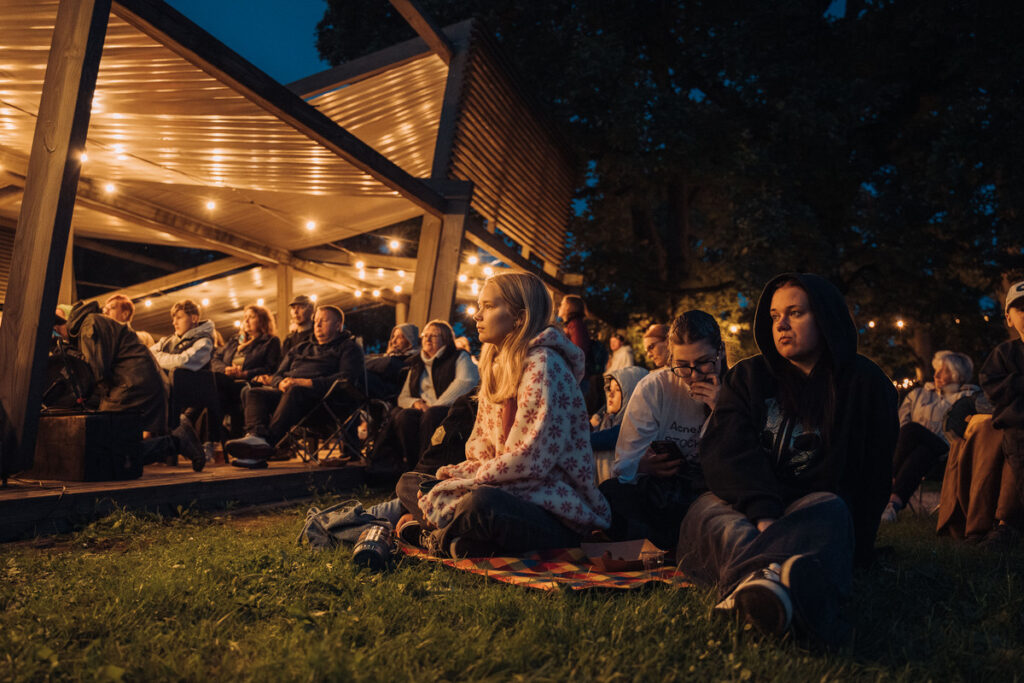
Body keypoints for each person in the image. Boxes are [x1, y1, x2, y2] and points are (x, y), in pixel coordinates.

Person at [676, 273, 898, 647]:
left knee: (831, 510)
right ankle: (782, 586)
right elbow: (726, 453)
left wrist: (856, 547)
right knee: (715, 518)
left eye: (795, 313)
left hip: (811, 510)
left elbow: (872, 476)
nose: (780, 325)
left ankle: (753, 592)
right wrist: (764, 514)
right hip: (742, 506)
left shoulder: (865, 384)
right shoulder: (747, 377)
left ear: (824, 317)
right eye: (774, 315)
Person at [396, 272, 611, 557]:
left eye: (488, 306)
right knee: (409, 483)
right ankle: (464, 540)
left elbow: (530, 462)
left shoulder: (544, 365)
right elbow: (481, 449)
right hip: (505, 487)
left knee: (481, 503)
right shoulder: (498, 365)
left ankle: (438, 537)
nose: (477, 316)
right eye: (479, 306)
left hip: (552, 510)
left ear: (519, 318)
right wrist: (454, 480)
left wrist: (464, 487)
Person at [598, 311, 724, 550]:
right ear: (671, 359)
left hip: (710, 493)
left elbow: (741, 463)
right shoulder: (655, 387)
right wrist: (641, 466)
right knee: (612, 494)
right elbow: (623, 466)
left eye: (703, 362)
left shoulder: (735, 387)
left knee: (713, 511)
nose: (694, 375)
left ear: (721, 352)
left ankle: (678, 544)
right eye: (682, 366)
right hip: (664, 494)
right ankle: (664, 546)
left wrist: (721, 410)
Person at [54, 302, 205, 471]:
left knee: (110, 455)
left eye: (57, 326)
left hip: (132, 386)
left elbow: (96, 372)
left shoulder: (89, 325)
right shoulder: (88, 325)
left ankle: (175, 442)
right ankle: (176, 439)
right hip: (132, 382)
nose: (56, 332)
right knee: (111, 453)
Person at [224, 305, 364, 463]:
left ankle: (264, 446)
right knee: (254, 392)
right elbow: (277, 374)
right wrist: (279, 383)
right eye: (316, 321)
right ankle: (255, 437)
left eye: (324, 321)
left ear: (338, 325)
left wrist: (304, 382)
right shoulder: (301, 347)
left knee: (295, 391)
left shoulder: (349, 348)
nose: (317, 325)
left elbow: (346, 378)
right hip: (290, 396)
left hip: (325, 402)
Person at [882, 350, 982, 522]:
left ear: (957, 374)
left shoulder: (968, 397)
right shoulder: (918, 395)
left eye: (944, 370)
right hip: (920, 453)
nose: (937, 374)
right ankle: (892, 505)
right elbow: (900, 425)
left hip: (949, 451)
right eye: (937, 369)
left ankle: (884, 483)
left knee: (913, 429)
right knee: (923, 451)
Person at [390, 320, 479, 469]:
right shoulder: (417, 363)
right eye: (425, 335)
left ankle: (428, 466)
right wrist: (415, 403)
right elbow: (403, 397)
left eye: (434, 335)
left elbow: (465, 382)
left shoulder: (459, 356)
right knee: (404, 416)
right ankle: (412, 465)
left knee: (432, 415)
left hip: (449, 408)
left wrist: (434, 406)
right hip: (424, 409)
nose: (428, 339)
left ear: (445, 339)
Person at [976, 278, 1024, 547]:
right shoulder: (1004, 353)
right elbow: (992, 387)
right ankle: (1007, 525)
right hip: (1018, 428)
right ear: (1009, 318)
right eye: (1021, 309)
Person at [211, 305, 282, 439]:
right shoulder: (235, 340)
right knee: (213, 385)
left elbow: (271, 368)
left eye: (251, 317)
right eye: (245, 317)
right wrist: (225, 369)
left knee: (216, 391)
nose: (247, 321)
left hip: (249, 383)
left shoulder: (270, 341)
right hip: (227, 381)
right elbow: (215, 359)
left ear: (262, 320)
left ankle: (212, 436)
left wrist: (245, 374)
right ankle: (215, 436)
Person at [590, 365, 648, 483]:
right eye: (609, 389)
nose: (610, 394)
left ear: (632, 394)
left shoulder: (635, 427)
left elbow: (607, 438)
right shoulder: (605, 420)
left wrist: (577, 438)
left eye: (617, 390)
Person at [149, 299, 215, 372]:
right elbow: (148, 355)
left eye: (179, 318)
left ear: (194, 318)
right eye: (173, 319)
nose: (174, 323)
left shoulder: (204, 342)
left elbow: (183, 361)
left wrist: (157, 358)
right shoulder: (165, 341)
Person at [364, 323, 419, 400]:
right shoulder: (395, 357)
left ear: (410, 341)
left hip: (392, 393)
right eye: (393, 336)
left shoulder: (409, 360)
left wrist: (389, 355)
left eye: (399, 337)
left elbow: (381, 362)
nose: (393, 341)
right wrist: (388, 354)